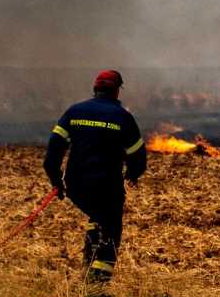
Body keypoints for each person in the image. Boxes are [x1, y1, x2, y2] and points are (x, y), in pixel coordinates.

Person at [44, 69, 146, 284]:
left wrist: (56, 179)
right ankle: (97, 285)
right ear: (117, 91)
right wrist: (133, 174)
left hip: (77, 186)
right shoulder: (123, 117)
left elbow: (54, 149)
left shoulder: (74, 112)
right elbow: (137, 155)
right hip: (107, 187)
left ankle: (88, 267)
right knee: (111, 230)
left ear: (95, 88)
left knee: (97, 218)